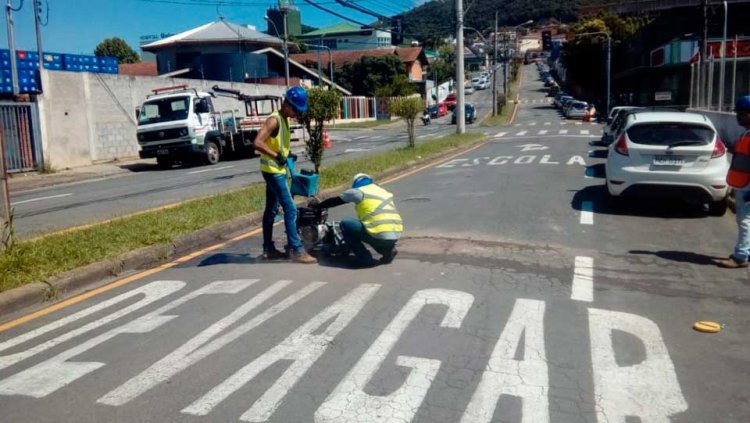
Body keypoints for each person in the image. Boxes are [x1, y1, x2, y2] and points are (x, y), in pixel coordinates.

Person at [253, 86, 316, 264]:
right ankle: (297, 250)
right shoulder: (274, 120)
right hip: (273, 172)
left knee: (271, 210)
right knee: (291, 209)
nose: (297, 113)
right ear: (287, 104)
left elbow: (276, 144)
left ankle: (268, 249)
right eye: (295, 109)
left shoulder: (284, 119)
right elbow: (257, 142)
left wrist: (286, 155)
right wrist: (277, 156)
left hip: (276, 170)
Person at [314, 173, 403, 266]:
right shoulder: (382, 191)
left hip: (378, 233)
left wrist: (318, 206)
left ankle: (364, 258)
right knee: (371, 230)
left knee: (346, 224)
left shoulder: (358, 191)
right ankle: (388, 250)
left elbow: (335, 201)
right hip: (396, 233)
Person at [717, 95, 750, 269]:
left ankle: (740, 257)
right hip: (743, 184)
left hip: (748, 186)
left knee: (744, 220)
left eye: (741, 113)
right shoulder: (747, 133)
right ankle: (746, 252)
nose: (738, 117)